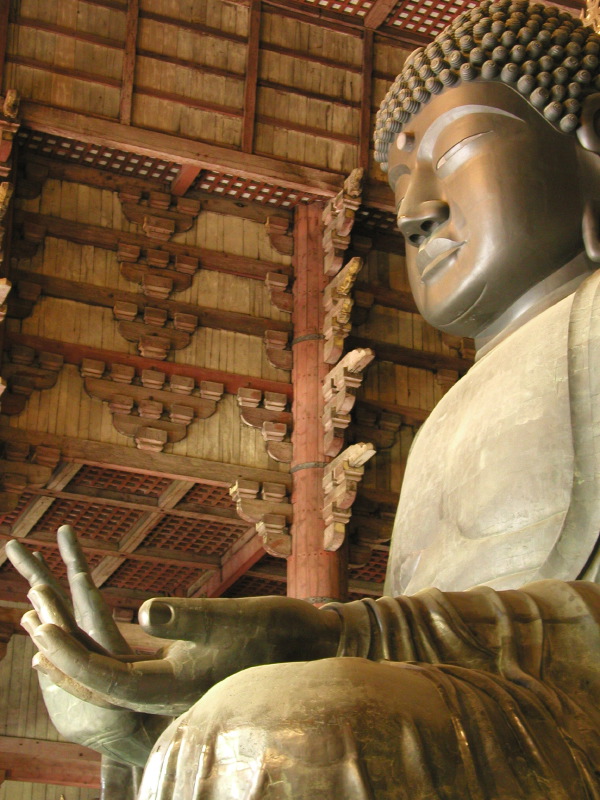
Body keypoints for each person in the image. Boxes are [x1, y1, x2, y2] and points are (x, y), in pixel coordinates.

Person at [7, 1, 600, 797]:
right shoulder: (441, 427)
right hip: (480, 724)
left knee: (286, 722)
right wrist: (134, 724)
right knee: (258, 726)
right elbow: (423, 673)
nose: (414, 212)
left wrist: (334, 634)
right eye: (400, 179)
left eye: (458, 149)